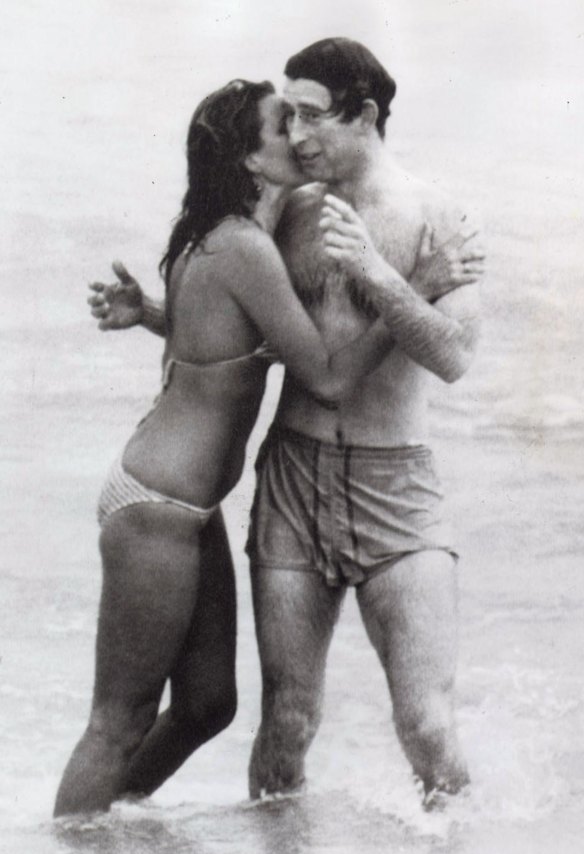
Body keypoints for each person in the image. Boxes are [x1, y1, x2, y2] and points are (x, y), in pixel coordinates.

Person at [87, 40, 485, 811]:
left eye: (311, 115)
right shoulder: (287, 213)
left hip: (395, 484)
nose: (297, 136)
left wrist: (381, 274)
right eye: (288, 118)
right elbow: (239, 331)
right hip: (292, 480)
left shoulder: (440, 219)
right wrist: (155, 316)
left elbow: (456, 356)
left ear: (365, 115)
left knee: (428, 725)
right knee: (286, 725)